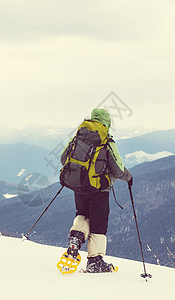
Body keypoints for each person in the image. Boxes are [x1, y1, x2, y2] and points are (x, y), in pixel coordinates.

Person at [60, 108, 133, 273]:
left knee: (82, 214)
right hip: (99, 189)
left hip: (78, 186)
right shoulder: (106, 141)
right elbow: (118, 169)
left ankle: (75, 239)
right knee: (99, 223)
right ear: (107, 123)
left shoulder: (78, 137)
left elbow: (64, 158)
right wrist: (129, 177)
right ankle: (95, 261)